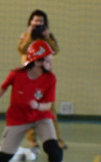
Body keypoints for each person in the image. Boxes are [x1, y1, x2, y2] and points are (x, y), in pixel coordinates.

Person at [0, 39, 71, 162]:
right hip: (17, 118)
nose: (51, 64)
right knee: (4, 156)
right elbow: (3, 88)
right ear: (37, 61)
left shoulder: (50, 79)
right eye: (48, 61)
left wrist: (37, 106)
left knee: (54, 149)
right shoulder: (17, 75)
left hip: (41, 116)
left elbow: (48, 105)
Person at [16, 9, 66, 150]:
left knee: (50, 109)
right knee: (30, 108)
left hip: (44, 78)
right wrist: (30, 35)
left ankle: (56, 139)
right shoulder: (25, 36)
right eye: (35, 21)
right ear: (30, 22)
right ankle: (32, 139)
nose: (38, 23)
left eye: (41, 21)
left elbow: (55, 50)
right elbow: (22, 50)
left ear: (45, 24)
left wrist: (47, 37)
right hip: (29, 77)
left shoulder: (48, 37)